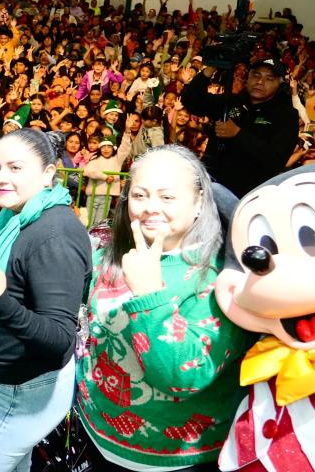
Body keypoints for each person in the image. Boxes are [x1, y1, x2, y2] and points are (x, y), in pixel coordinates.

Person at [78, 145, 253, 472]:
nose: (150, 208)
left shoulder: (222, 277)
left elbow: (182, 378)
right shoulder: (110, 252)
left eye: (167, 197)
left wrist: (148, 294)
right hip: (99, 437)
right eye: (139, 195)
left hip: (175, 459)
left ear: (199, 202)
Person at [0, 129, 92, 472]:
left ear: (47, 173)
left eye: (15, 168)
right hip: (8, 386)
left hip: (22, 394)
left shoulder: (54, 234)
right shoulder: (15, 217)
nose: (1, 178)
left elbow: (59, 339)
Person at [180, 57, 299, 197]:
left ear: (280, 84)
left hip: (246, 196)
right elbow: (190, 101)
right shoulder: (231, 102)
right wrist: (210, 68)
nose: (260, 82)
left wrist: (238, 134)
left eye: (269, 79)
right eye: (256, 75)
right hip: (208, 188)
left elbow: (276, 160)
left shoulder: (286, 115)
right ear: (247, 79)